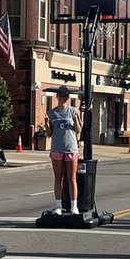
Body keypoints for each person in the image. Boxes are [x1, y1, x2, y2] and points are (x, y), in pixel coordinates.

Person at [47, 85, 83, 215]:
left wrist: (76, 121)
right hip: (57, 148)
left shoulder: (73, 111)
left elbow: (78, 130)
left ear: (68, 97)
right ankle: (58, 205)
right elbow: (49, 133)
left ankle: (74, 206)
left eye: (65, 96)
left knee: (71, 178)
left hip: (70, 148)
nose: (62, 98)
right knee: (58, 178)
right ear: (57, 97)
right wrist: (46, 125)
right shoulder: (51, 113)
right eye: (60, 96)